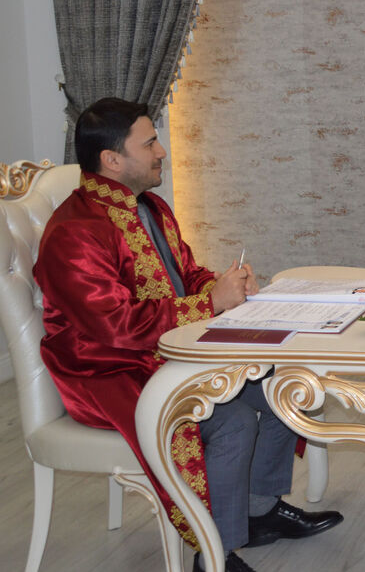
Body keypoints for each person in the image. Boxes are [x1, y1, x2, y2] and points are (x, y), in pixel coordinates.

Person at [34, 98, 342, 572]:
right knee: (234, 422)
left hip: (170, 354)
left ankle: (258, 511)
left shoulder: (151, 207)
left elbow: (183, 276)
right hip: (107, 371)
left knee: (283, 387)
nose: (161, 152)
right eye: (149, 143)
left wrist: (223, 286)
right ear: (112, 159)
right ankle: (215, 552)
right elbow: (115, 327)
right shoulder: (75, 233)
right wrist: (209, 303)